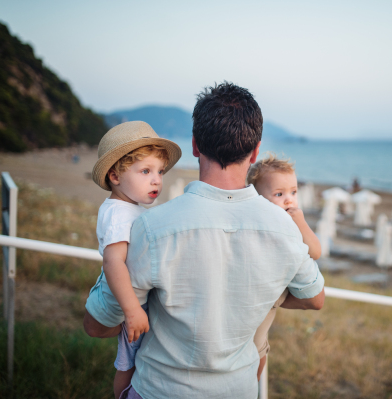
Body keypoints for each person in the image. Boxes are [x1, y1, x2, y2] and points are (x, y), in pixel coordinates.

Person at [83, 82, 325, 399]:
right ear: (254, 152)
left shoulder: (152, 227)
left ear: (196, 145)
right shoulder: (285, 229)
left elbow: (98, 325)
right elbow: (315, 299)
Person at [88, 121, 182, 398]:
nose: (157, 180)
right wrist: (131, 310)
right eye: (145, 171)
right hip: (119, 300)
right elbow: (113, 263)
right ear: (115, 176)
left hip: (128, 298)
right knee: (128, 366)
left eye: (160, 172)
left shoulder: (130, 208)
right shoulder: (119, 213)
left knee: (134, 362)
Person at [246, 153, 321, 379]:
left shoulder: (294, 222)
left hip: (271, 300)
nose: (289, 200)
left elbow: (315, 252)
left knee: (259, 350)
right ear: (258, 199)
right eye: (279, 194)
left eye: (293, 192)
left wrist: (301, 222)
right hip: (255, 298)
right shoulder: (256, 220)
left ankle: (252, 389)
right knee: (252, 346)